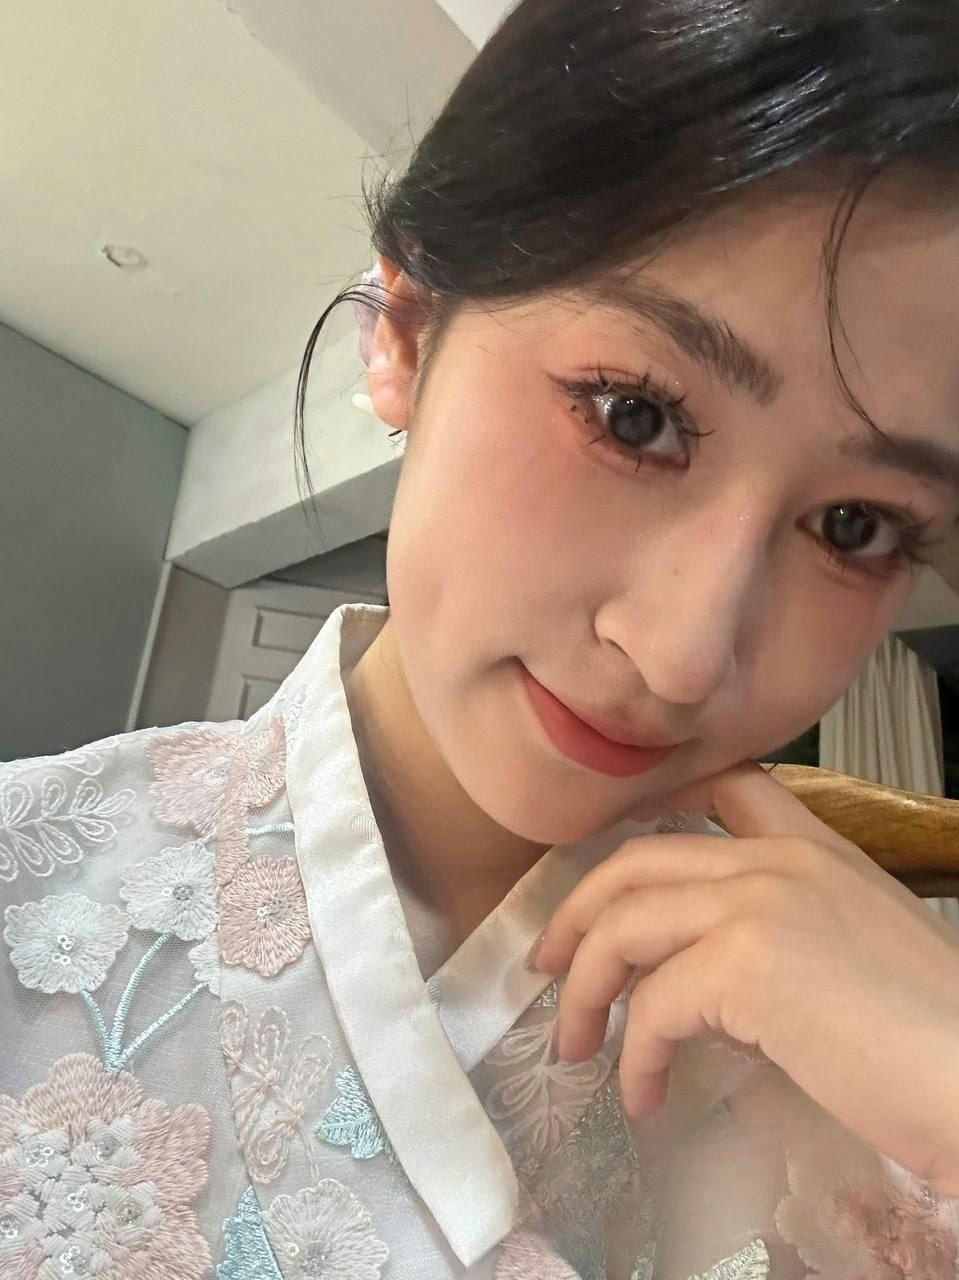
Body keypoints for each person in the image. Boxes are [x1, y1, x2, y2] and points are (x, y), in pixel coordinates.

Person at [4, 0, 959, 1275]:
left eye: (853, 524)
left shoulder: (891, 1073)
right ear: (403, 326)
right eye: (631, 416)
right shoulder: (31, 901)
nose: (682, 654)